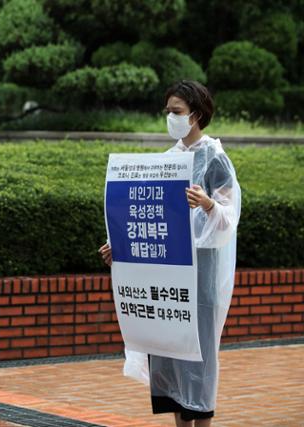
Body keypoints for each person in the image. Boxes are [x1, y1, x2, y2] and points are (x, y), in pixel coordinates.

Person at [99, 80, 241, 427]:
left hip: (200, 280)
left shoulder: (215, 159)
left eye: (177, 112)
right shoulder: (168, 161)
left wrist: (208, 204)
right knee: (170, 354)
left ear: (197, 114)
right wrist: (121, 248)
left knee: (199, 357)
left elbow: (228, 217)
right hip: (168, 279)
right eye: (168, 111)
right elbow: (151, 220)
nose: (171, 118)